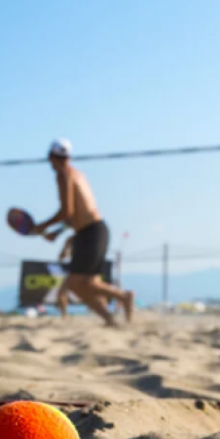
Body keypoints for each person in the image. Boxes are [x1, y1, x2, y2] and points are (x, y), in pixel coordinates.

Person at [32, 139, 134, 326]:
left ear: (51, 157)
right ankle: (112, 318)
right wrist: (57, 231)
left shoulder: (63, 175)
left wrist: (42, 226)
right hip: (96, 230)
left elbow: (67, 212)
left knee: (75, 284)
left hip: (90, 233)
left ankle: (121, 299)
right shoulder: (77, 174)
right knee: (89, 283)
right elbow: (76, 213)